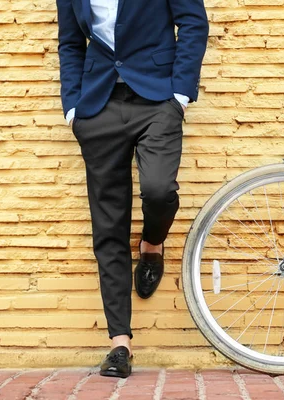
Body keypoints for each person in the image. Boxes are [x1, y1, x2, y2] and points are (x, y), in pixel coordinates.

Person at [55, 0, 209, 378]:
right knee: (108, 225)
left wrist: (180, 95)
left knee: (158, 190)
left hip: (158, 100)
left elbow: (193, 23)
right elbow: (70, 43)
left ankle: (152, 244)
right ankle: (119, 344)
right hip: (97, 107)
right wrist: (73, 109)